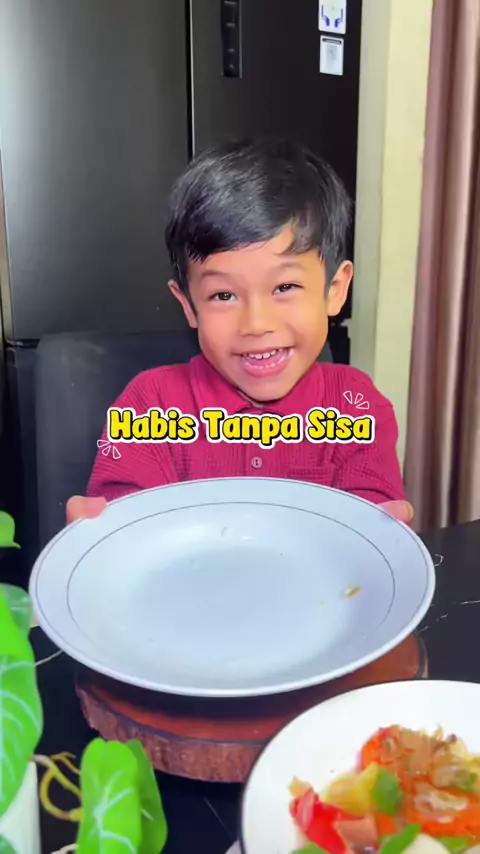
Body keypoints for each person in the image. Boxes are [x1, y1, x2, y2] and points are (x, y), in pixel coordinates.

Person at [66, 139, 413, 526]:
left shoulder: (356, 406)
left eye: (284, 287)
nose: (256, 324)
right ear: (188, 305)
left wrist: (379, 533)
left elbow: (365, 536)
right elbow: (124, 529)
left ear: (334, 290)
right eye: (223, 295)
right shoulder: (150, 406)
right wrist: (103, 535)